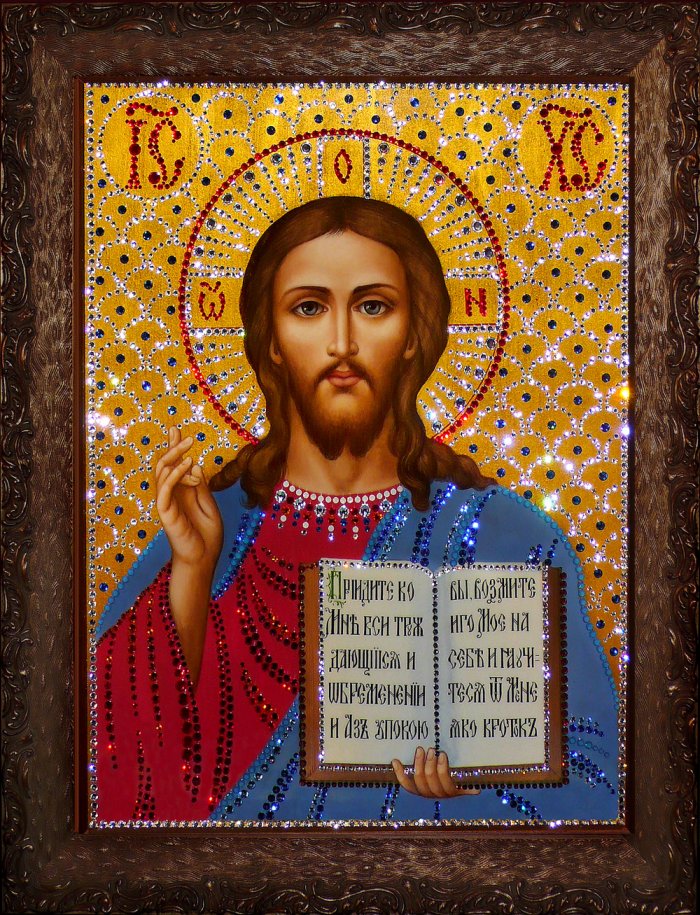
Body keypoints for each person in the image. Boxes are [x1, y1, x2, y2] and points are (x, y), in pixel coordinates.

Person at [96, 197, 619, 824]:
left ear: (414, 334)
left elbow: (599, 785)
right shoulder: (213, 526)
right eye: (308, 308)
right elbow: (107, 773)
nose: (342, 343)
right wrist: (190, 573)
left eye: (373, 307)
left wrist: (471, 794)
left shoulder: (505, 536)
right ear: (271, 340)